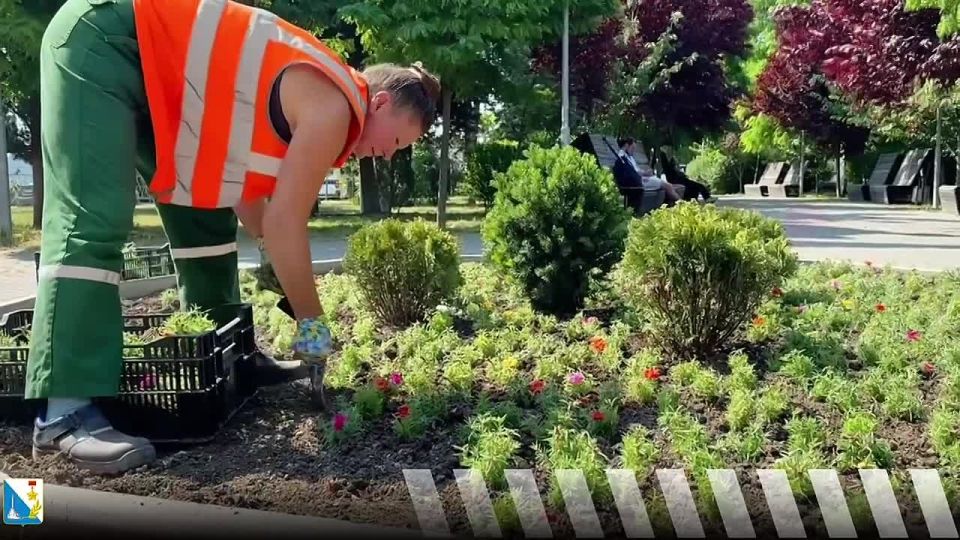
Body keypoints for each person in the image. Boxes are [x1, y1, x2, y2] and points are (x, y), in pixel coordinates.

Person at [26, 0, 440, 474]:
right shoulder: (333, 106)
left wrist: (278, 268)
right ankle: (63, 412)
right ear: (381, 103)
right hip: (105, 40)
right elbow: (286, 225)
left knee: (204, 219)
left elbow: (252, 207)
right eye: (398, 142)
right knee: (94, 217)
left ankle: (228, 365)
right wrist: (313, 328)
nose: (388, 156)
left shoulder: (315, 103)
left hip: (162, 84)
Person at [617, 138, 682, 203]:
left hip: (642, 179)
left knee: (676, 187)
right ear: (626, 145)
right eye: (632, 148)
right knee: (668, 186)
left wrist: (645, 173)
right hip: (639, 182)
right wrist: (644, 174)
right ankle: (682, 204)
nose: (633, 151)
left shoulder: (629, 157)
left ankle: (675, 205)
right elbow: (631, 173)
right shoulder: (622, 157)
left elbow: (635, 170)